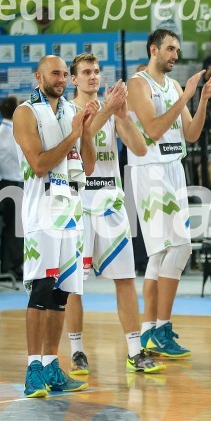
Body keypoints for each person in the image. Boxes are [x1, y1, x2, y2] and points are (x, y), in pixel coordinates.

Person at [64, 53, 164, 376]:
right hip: (79, 204)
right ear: (73, 79)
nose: (93, 76)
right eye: (86, 72)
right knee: (74, 284)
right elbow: (82, 141)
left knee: (125, 279)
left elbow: (140, 148)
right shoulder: (67, 111)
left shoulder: (111, 110)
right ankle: (77, 350)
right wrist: (109, 109)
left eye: (96, 71)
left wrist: (123, 116)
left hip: (111, 203)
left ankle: (135, 350)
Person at [127, 29, 211, 359]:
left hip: (174, 168)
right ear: (153, 50)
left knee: (160, 255)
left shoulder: (175, 86)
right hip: (150, 170)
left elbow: (191, 134)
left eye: (177, 50)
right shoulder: (138, 84)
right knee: (181, 247)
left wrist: (202, 99)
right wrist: (186, 96)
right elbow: (152, 130)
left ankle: (150, 329)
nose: (175, 55)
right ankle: (162, 326)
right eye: (169, 49)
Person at [12, 55, 96, 398]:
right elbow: (39, 164)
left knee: (61, 294)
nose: (61, 79)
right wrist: (73, 133)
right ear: (39, 76)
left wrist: (86, 132)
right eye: (55, 73)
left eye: (64, 74)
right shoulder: (26, 112)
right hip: (42, 213)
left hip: (72, 211)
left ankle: (51, 366)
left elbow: (88, 167)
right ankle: (33, 368)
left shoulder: (71, 111)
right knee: (42, 290)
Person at [0, 96, 23, 279]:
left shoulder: (7, 130)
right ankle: (10, 265)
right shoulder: (6, 132)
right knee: (13, 227)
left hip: (13, 182)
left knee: (17, 226)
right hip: (10, 183)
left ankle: (15, 264)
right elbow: (21, 154)